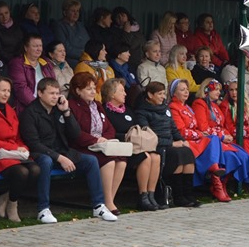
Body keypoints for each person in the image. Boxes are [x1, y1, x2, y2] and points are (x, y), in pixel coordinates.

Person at [20, 77, 118, 223]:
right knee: (46, 162)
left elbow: (75, 134)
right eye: (51, 93)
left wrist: (66, 112)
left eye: (57, 93)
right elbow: (34, 143)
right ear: (40, 93)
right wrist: (59, 157)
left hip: (63, 151)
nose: (55, 97)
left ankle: (98, 205)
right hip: (41, 153)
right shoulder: (30, 113)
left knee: (91, 160)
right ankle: (43, 209)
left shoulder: (59, 110)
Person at [0, 76, 41, 222]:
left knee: (35, 170)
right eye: (3, 90)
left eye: (8, 91)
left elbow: (18, 137)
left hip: (12, 153)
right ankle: (12, 205)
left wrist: (24, 148)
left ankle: (6, 197)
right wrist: (14, 147)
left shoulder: (11, 110)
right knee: (21, 172)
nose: (6, 94)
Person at [67, 72, 127, 215]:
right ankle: (107, 202)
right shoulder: (72, 106)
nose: (93, 91)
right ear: (78, 90)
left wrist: (104, 139)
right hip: (82, 146)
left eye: (94, 88)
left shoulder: (97, 105)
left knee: (122, 161)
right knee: (109, 161)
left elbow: (109, 128)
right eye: (88, 89)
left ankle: (109, 199)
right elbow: (75, 134)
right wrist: (96, 140)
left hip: (101, 145)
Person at [135, 81, 200, 207]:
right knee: (178, 154)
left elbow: (174, 130)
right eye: (159, 94)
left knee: (187, 152)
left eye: (164, 93)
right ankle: (177, 196)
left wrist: (183, 140)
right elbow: (148, 137)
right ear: (150, 95)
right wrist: (171, 143)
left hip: (170, 144)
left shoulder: (165, 109)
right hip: (157, 146)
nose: (163, 97)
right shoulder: (142, 112)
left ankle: (188, 194)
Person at [102, 78, 163, 211]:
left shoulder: (128, 110)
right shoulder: (105, 111)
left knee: (156, 156)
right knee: (145, 157)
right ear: (112, 94)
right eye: (122, 91)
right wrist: (125, 137)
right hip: (121, 147)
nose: (125, 94)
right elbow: (108, 132)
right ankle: (142, 196)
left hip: (135, 145)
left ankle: (150, 195)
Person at [163, 79, 227, 203]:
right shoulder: (173, 107)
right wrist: (199, 134)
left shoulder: (187, 107)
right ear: (173, 93)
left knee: (214, 139)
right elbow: (181, 131)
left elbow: (196, 126)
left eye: (187, 89)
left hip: (195, 139)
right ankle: (212, 168)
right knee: (209, 141)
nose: (186, 92)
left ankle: (189, 194)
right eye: (182, 90)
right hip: (185, 140)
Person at [193, 80, 249, 197]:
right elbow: (203, 128)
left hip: (222, 140)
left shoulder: (215, 105)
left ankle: (223, 183)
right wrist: (222, 137)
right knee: (231, 156)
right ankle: (217, 185)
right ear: (207, 90)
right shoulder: (200, 103)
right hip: (211, 142)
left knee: (242, 156)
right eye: (216, 89)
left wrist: (228, 136)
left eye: (219, 89)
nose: (219, 92)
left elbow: (222, 126)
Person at [10, 32, 57, 115]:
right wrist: (38, 107)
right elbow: (21, 89)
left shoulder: (46, 63)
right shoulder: (17, 63)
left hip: (48, 106)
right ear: (26, 47)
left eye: (40, 46)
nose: (39, 49)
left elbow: (54, 85)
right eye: (35, 46)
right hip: (28, 109)